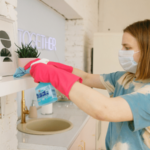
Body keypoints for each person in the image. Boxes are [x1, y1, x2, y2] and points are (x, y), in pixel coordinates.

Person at [24, 19, 150, 150]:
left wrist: (54, 75)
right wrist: (55, 66)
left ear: (146, 50)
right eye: (122, 46)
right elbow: (86, 77)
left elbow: (104, 109)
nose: (121, 51)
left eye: (127, 48)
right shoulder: (123, 78)